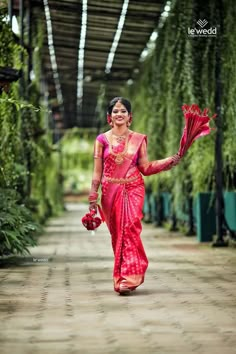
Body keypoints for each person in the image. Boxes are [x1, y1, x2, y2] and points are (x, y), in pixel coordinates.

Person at [88, 97, 181, 295]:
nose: (119, 114)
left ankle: (128, 279)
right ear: (109, 117)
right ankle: (122, 275)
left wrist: (167, 162)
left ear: (130, 117)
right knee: (117, 235)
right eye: (115, 111)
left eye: (123, 111)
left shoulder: (139, 139)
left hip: (133, 189)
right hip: (109, 192)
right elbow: (97, 171)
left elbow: (145, 168)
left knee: (129, 228)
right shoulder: (101, 140)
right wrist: (92, 195)